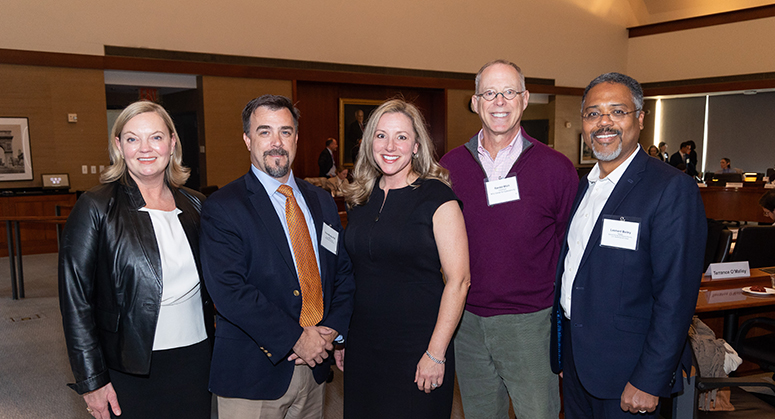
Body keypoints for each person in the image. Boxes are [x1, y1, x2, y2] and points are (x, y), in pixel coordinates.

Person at [551, 72, 706, 417]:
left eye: (616, 111)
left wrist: (650, 378)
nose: (604, 123)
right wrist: (565, 355)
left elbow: (676, 297)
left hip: (631, 375)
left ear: (639, 118)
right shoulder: (584, 186)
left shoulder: (670, 189)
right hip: (579, 367)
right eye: (593, 114)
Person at [199, 94, 355, 419]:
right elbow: (229, 290)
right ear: (247, 139)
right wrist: (296, 338)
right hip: (253, 373)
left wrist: (332, 330)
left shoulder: (322, 203)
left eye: (285, 132)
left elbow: (341, 272)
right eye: (264, 131)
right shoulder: (224, 206)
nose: (276, 143)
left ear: (296, 138)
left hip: (315, 369)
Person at [439, 59, 577, 419]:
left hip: (530, 324)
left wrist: (567, 331)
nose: (499, 101)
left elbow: (571, 250)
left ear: (525, 98)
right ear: (475, 101)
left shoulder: (557, 168)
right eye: (489, 93)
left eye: (509, 92)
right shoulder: (448, 168)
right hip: (466, 323)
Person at [59, 101, 213, 419]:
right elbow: (76, 303)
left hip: (196, 358)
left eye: (155, 137)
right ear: (118, 146)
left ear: (172, 143)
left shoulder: (197, 204)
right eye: (132, 139)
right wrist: (92, 380)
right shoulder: (95, 207)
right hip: (129, 365)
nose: (144, 148)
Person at [339, 99, 470, 418]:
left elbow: (459, 280)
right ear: (369, 142)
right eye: (381, 135)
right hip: (363, 345)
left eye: (401, 137)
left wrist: (436, 352)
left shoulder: (437, 198)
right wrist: (343, 337)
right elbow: (351, 274)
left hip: (418, 345)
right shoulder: (360, 199)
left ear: (416, 145)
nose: (390, 145)